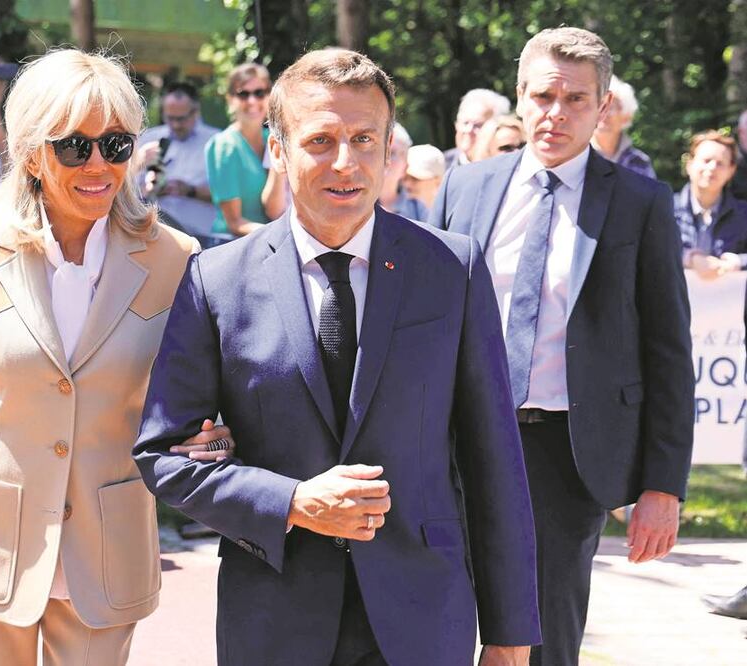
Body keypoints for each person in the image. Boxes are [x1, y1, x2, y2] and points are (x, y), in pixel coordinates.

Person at [135, 47, 539, 666]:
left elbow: (494, 459)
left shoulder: (450, 268)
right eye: (321, 140)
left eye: (364, 139)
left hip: (422, 615)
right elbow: (164, 454)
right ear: (278, 147)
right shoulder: (217, 280)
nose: (345, 162)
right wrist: (291, 503)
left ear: (387, 148)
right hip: (275, 617)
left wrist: (510, 632)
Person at [0, 49, 233, 666]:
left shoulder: (177, 257)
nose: (99, 165)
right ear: (32, 152)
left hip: (107, 551)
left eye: (117, 145)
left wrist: (215, 436)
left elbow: (190, 406)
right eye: (75, 146)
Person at [430, 27, 693, 666]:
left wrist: (663, 485)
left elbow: (668, 350)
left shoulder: (641, 203)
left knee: (543, 634)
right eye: (544, 94)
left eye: (576, 99)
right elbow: (425, 323)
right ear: (520, 98)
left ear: (603, 107)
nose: (557, 113)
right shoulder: (465, 189)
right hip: (452, 442)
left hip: (566, 451)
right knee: (435, 620)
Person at [135, 81, 220, 239]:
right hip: (154, 234)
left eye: (181, 119)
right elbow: (126, 191)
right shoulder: (148, 139)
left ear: (196, 112)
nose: (175, 125)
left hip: (201, 237)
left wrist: (190, 190)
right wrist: (150, 188)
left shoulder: (217, 141)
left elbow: (229, 193)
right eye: (170, 118)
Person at [205, 63, 272, 237]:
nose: (252, 101)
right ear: (230, 99)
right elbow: (234, 222)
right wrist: (280, 235)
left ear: (269, 96)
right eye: (243, 94)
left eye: (259, 93)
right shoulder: (224, 146)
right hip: (232, 246)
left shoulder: (273, 139)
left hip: (269, 243)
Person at [674, 130, 747, 279]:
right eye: (706, 160)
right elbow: (648, 251)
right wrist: (689, 258)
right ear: (689, 165)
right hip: (669, 301)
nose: (713, 167)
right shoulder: (664, 208)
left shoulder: (744, 214)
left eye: (720, 163)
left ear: (731, 171)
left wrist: (738, 261)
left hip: (727, 300)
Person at [590, 76, 656, 180]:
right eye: (600, 105)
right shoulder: (575, 157)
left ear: (626, 116)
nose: (603, 113)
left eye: (611, 107)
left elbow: (651, 195)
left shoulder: (639, 162)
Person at [443, 87, 512, 170]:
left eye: (478, 125)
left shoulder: (507, 165)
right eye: (465, 123)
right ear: (456, 125)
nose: (469, 130)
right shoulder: (441, 165)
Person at [376, 123, 427, 221]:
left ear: (405, 166)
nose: (385, 159)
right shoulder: (357, 203)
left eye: (392, 153)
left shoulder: (418, 210)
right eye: (380, 151)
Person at [403, 144, 445, 211]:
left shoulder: (451, 215)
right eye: (404, 178)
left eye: (415, 178)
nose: (407, 184)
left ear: (438, 182)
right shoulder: (395, 212)